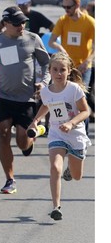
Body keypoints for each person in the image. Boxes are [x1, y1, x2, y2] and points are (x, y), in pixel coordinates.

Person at [0, 6, 51, 194]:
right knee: (2, 133)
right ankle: (10, 180)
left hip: (26, 98)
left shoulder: (32, 39)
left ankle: (33, 137)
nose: (22, 26)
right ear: (6, 23)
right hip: (3, 96)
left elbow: (46, 63)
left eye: (24, 22)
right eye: (17, 23)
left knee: (22, 142)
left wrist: (44, 82)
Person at [27, 52, 91, 220]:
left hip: (75, 134)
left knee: (77, 177)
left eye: (62, 70)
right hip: (56, 133)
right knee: (55, 167)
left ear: (69, 71)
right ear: (50, 71)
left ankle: (71, 168)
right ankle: (56, 206)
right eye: (55, 70)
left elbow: (86, 111)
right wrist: (36, 120)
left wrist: (71, 123)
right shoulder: (47, 92)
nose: (58, 73)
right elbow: (46, 106)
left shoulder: (74, 89)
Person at [48, 0, 95, 133]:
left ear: (78, 5)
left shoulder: (89, 22)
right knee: (62, 98)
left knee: (81, 100)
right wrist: (60, 48)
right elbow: (51, 42)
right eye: (64, 7)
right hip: (65, 66)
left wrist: (88, 61)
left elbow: (96, 46)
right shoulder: (63, 20)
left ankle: (83, 134)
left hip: (83, 67)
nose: (66, 10)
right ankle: (63, 131)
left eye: (69, 7)